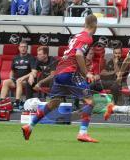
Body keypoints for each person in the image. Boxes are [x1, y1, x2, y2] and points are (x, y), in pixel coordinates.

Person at [21, 14, 99, 143]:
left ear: (85, 24)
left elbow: (71, 54)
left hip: (59, 73)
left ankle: (29, 126)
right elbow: (79, 54)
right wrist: (87, 73)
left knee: (54, 103)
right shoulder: (88, 38)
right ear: (95, 25)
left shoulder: (77, 36)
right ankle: (83, 133)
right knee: (90, 102)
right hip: (70, 73)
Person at [0, 41, 35, 109]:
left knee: (19, 81)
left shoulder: (31, 58)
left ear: (27, 48)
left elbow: (33, 72)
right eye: (21, 47)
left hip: (26, 81)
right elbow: (12, 70)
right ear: (19, 48)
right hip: (16, 80)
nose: (23, 48)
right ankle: (2, 101)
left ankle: (17, 102)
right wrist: (11, 77)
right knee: (5, 82)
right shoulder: (15, 58)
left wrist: (23, 78)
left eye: (25, 47)